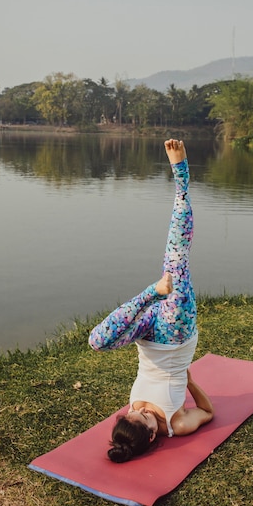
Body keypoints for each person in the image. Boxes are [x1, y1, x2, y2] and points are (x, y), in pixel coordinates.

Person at [88, 139, 214, 463]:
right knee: (176, 259)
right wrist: (191, 381)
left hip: (145, 335)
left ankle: (151, 292)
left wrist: (151, 296)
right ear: (154, 433)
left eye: (133, 412)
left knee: (97, 341)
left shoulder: (132, 418)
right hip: (175, 333)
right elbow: (208, 413)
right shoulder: (176, 424)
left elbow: (104, 341)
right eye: (144, 416)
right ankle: (182, 179)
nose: (140, 408)